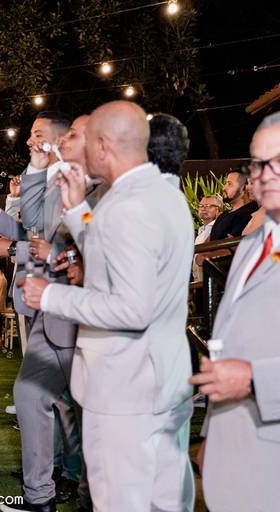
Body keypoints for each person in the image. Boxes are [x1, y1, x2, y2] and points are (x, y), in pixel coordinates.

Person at [22, 101, 195, 511]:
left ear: (102, 145)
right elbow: (115, 254)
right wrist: (79, 212)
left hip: (125, 390)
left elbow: (132, 308)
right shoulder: (161, 193)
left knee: (121, 501)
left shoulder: (129, 206)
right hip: (160, 378)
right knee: (164, 500)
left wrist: (50, 295)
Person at [0, 113, 90, 512]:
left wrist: (15, 249)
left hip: (73, 305)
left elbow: (73, 242)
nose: (29, 140)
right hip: (47, 304)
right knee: (43, 396)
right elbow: (36, 228)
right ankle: (46, 489)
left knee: (73, 404)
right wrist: (5, 212)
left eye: (36, 134)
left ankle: (71, 482)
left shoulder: (84, 183)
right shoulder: (55, 179)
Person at [190, 112, 280, 512]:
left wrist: (255, 380)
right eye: (259, 162)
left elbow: (245, 373)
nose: (265, 174)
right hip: (236, 450)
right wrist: (213, 435)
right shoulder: (252, 246)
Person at [209, 169, 258, 240]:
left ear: (244, 187)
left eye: (230, 184)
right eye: (225, 183)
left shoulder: (250, 213)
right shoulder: (223, 215)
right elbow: (209, 241)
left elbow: (230, 244)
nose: (224, 188)